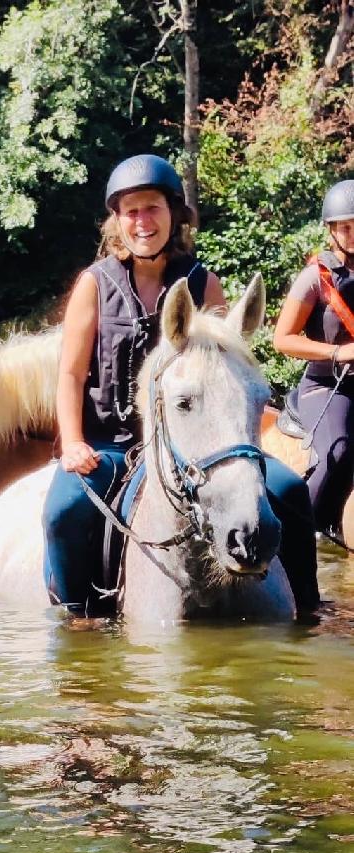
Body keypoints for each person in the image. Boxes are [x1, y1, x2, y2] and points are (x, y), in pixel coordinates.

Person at [43, 154, 319, 616]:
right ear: (117, 221)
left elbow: (224, 374)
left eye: (152, 208)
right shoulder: (94, 285)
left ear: (174, 214)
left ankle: (307, 608)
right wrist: (72, 443)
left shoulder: (203, 283)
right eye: (131, 211)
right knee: (63, 512)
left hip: (198, 442)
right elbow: (70, 374)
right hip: (110, 443)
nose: (142, 221)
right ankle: (78, 615)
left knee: (291, 491)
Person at [273, 179, 354, 536]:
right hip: (327, 385)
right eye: (345, 227)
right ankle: (302, 534)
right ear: (331, 230)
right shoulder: (315, 279)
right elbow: (282, 340)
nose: (353, 234)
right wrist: (337, 352)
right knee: (339, 451)